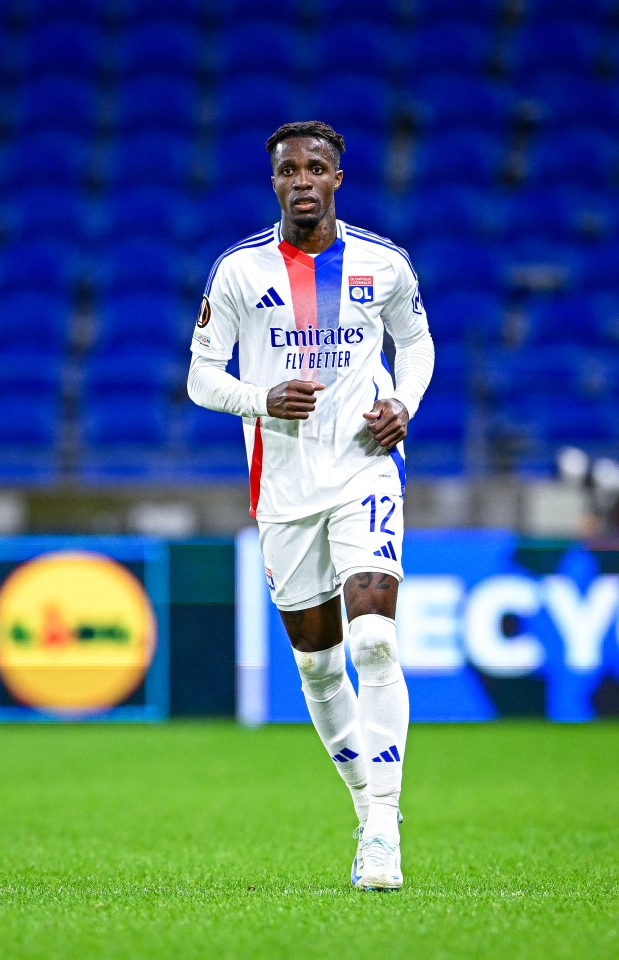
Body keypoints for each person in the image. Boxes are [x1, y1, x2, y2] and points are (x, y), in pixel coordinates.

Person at [188, 121, 434, 891]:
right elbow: (200, 377)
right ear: (274, 183)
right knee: (321, 670)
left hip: (365, 471)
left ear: (337, 178)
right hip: (283, 492)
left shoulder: (384, 264)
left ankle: (385, 828)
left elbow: (418, 345)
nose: (302, 178)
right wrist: (261, 399)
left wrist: (404, 400)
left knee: (374, 643)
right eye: (288, 169)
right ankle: (367, 810)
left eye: (316, 167)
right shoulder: (237, 272)